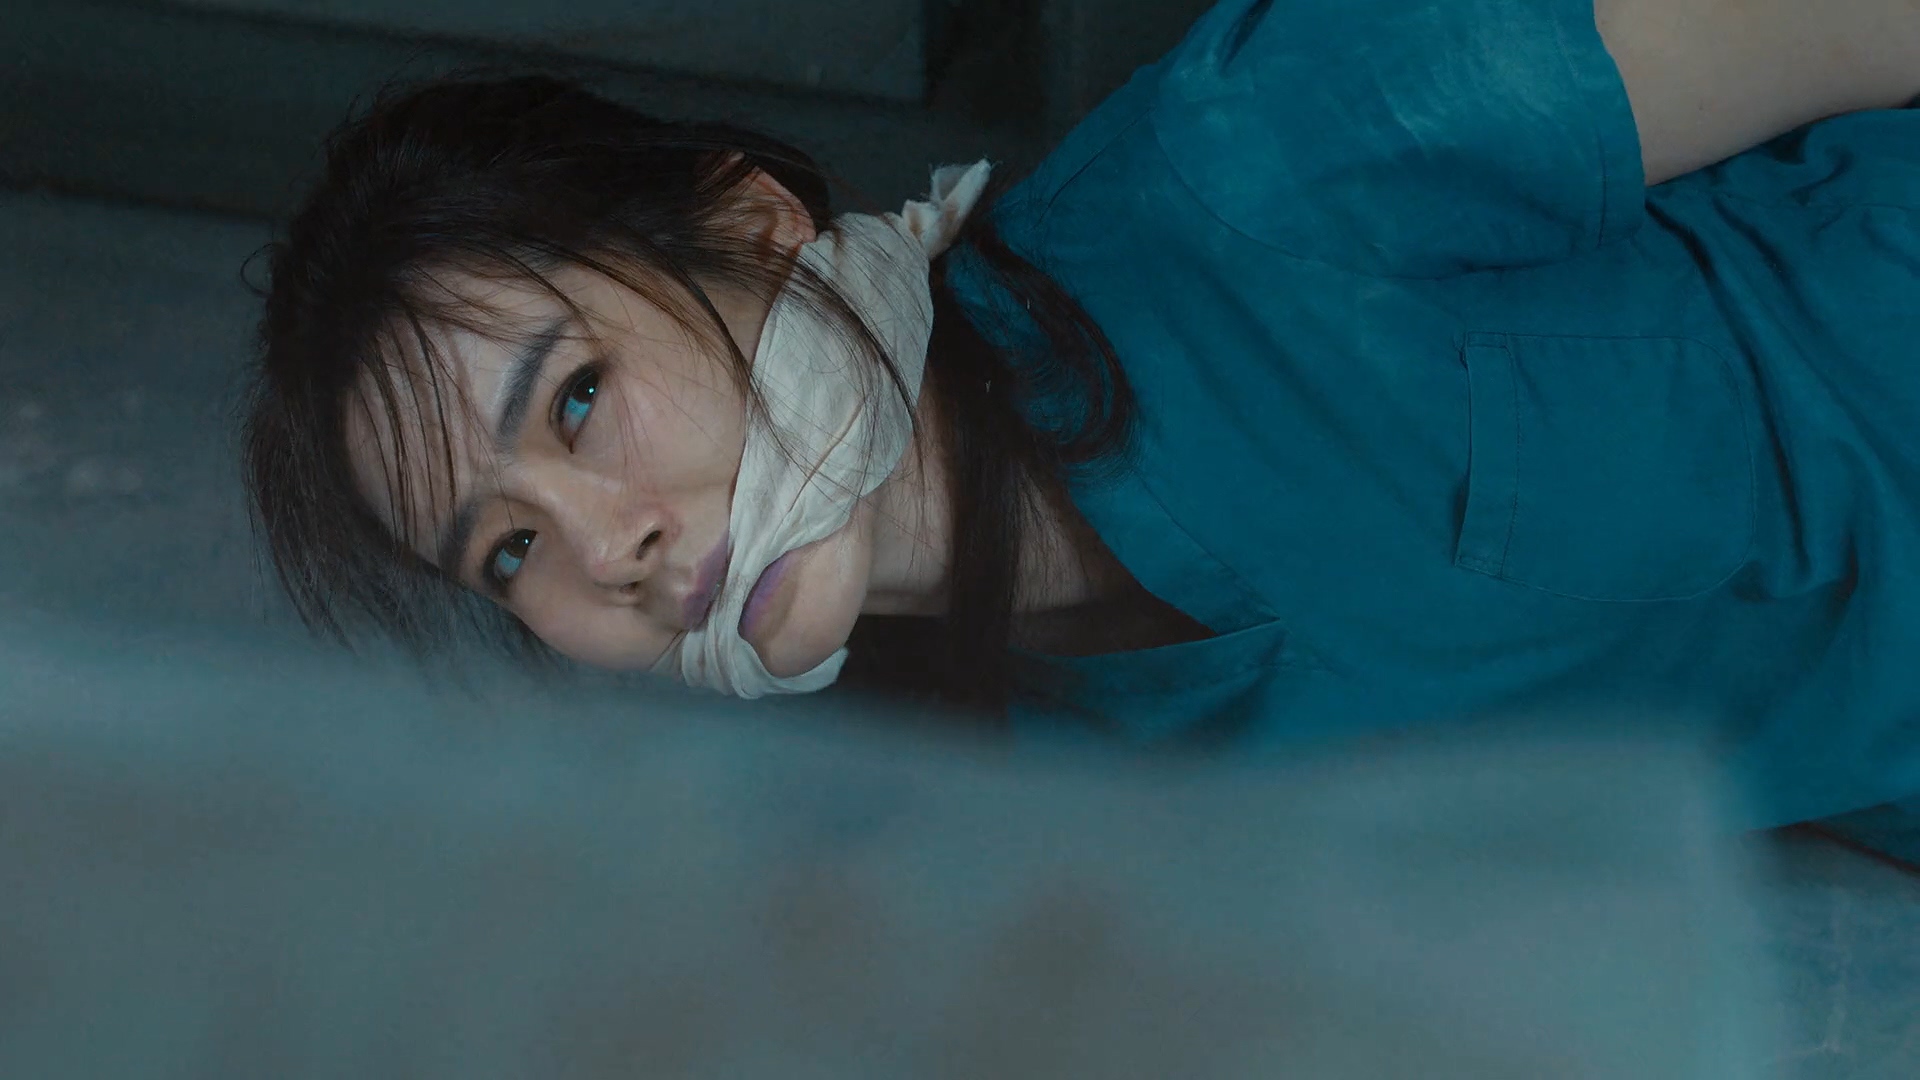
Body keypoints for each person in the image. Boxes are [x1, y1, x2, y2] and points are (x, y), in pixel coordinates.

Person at [240, 0, 1920, 832]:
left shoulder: (1270, 162)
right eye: (505, 550)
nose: (606, 550)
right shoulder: (1015, 807)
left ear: (753, 226)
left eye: (580, 397)